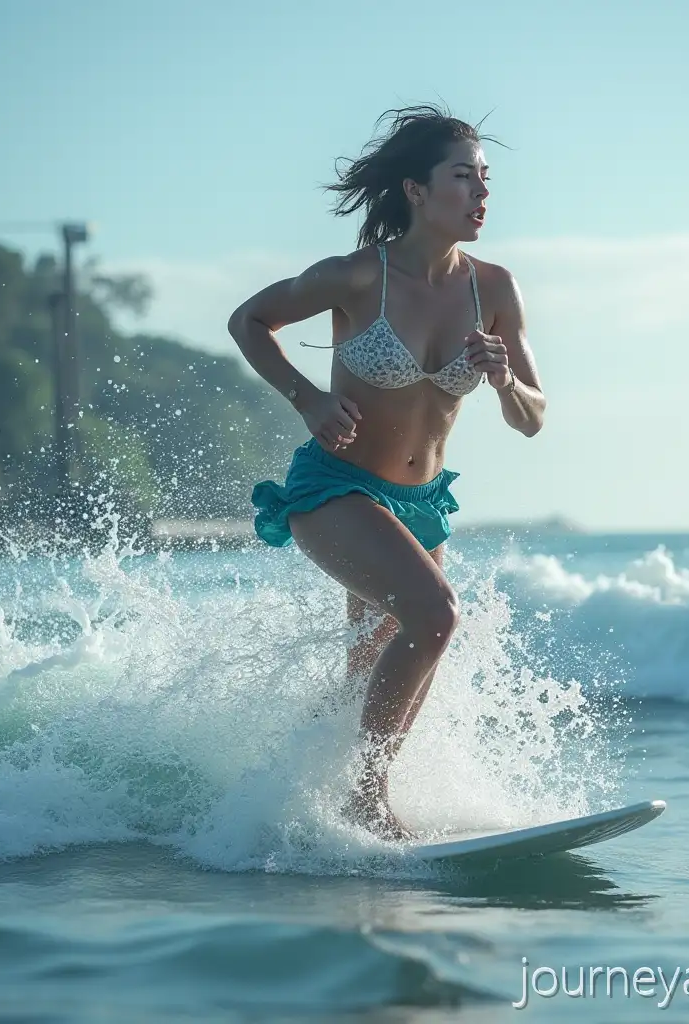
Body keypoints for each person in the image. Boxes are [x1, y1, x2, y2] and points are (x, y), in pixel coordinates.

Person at [227, 105, 546, 840]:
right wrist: (306, 399)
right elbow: (250, 319)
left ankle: (291, 793)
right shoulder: (356, 276)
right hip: (337, 490)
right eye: (462, 177)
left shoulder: (494, 289)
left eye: (485, 179)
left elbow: (533, 418)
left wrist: (504, 381)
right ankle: (365, 800)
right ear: (415, 190)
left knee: (369, 672)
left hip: (421, 504)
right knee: (435, 615)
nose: (481, 194)